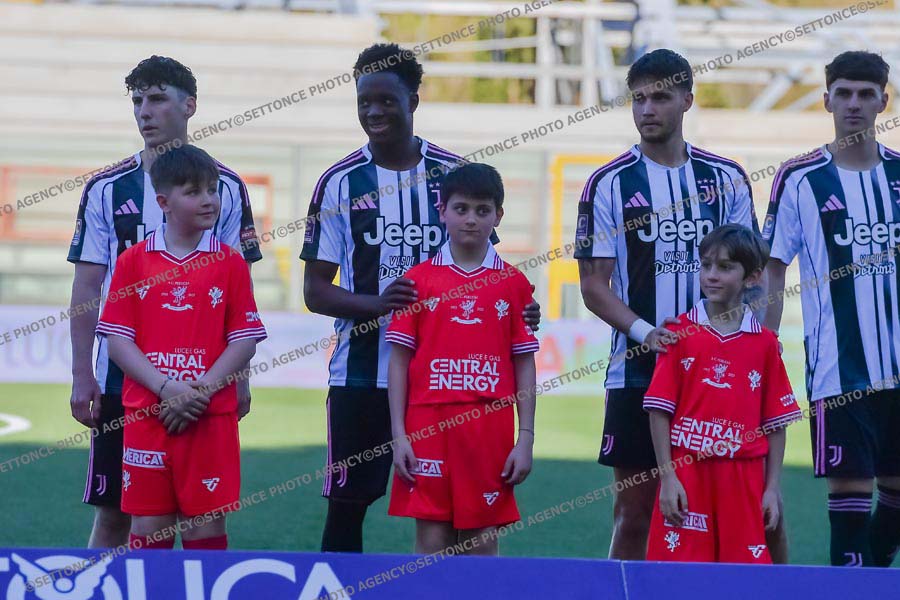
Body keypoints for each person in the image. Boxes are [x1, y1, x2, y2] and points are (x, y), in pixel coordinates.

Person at [300, 43, 540, 553]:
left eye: (386, 100)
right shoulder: (339, 182)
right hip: (362, 373)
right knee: (346, 505)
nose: (374, 111)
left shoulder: (453, 177)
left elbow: (488, 269)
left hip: (447, 385)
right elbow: (315, 291)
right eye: (364, 101)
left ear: (413, 100)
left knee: (458, 518)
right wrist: (380, 306)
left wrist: (522, 309)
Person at [575, 48, 762, 560]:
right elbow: (593, 285)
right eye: (638, 99)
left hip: (717, 374)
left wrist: (750, 346)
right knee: (635, 513)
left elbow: (753, 276)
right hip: (638, 370)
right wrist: (647, 334)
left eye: (659, 97)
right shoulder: (609, 183)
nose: (647, 109)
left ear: (687, 100)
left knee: (727, 509)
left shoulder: (726, 178)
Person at [68, 55, 261, 548]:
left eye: (156, 99)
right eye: (137, 101)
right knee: (116, 512)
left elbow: (237, 294)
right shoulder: (105, 189)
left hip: (204, 383)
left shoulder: (227, 189)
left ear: (189, 106)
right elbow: (88, 289)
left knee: (205, 517)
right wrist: (82, 374)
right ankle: (107, 584)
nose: (144, 112)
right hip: (124, 379)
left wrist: (237, 379)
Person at [762, 51, 900, 567]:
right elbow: (773, 267)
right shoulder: (800, 179)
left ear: (884, 101)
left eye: (866, 94)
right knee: (850, 501)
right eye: (843, 93)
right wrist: (763, 347)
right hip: (839, 372)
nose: (854, 104)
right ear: (826, 101)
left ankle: (868, 580)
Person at [96, 145, 266, 550]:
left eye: (212, 189)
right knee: (148, 530)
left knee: (204, 531)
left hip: (209, 418)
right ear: (163, 202)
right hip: (149, 415)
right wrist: (166, 389)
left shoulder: (230, 263)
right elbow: (118, 340)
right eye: (193, 192)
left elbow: (244, 338)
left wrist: (200, 391)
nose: (208, 200)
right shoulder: (134, 262)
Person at [385, 163, 538, 555]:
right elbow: (399, 362)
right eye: (461, 208)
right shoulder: (417, 281)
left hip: (489, 430)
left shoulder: (513, 284)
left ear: (498, 216)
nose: (471, 219)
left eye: (482, 210)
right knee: (432, 541)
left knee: (481, 543)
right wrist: (399, 435)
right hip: (427, 428)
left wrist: (525, 437)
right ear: (442, 211)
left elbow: (524, 363)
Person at [644, 224, 801, 563]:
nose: (712, 275)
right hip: (688, 474)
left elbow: (776, 423)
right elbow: (659, 411)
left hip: (744, 478)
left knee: (745, 579)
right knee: (679, 577)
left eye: (725, 267)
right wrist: (668, 478)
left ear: (753, 277)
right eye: (706, 265)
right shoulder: (678, 333)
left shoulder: (765, 344)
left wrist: (771, 488)